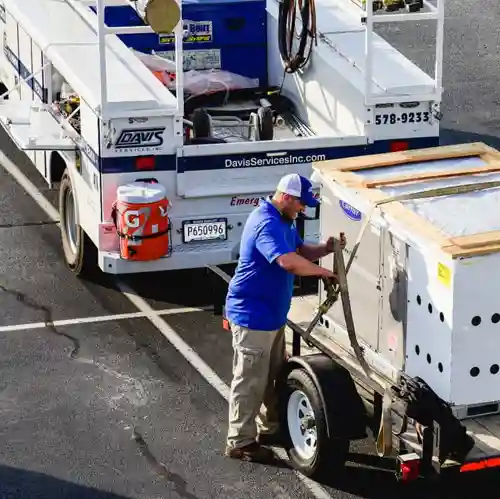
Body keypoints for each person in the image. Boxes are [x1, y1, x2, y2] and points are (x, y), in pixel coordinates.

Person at [224, 173, 346, 462]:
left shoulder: (284, 221)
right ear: (287, 197)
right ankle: (240, 442)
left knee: (271, 377)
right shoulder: (266, 222)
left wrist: (326, 249)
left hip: (271, 317)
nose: (303, 209)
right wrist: (325, 273)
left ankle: (269, 427)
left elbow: (300, 250)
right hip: (253, 317)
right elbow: (287, 261)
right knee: (249, 380)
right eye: (301, 204)